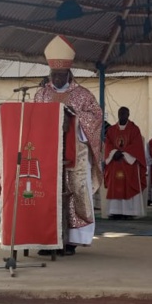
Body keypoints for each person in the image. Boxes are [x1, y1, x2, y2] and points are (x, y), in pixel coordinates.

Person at [34, 35, 103, 256]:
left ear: (69, 73)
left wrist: (75, 116)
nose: (57, 78)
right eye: (54, 74)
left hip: (76, 155)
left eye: (61, 75)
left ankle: (71, 240)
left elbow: (96, 117)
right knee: (48, 194)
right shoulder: (41, 94)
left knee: (74, 193)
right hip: (48, 155)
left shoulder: (82, 95)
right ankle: (48, 238)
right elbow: (34, 121)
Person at [104, 107, 147, 219]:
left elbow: (137, 146)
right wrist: (114, 153)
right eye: (120, 113)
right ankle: (115, 211)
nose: (122, 115)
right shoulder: (111, 130)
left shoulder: (134, 129)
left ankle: (130, 212)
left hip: (129, 164)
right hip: (115, 162)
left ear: (128, 114)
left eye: (124, 113)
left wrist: (123, 153)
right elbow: (108, 144)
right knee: (115, 185)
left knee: (129, 184)